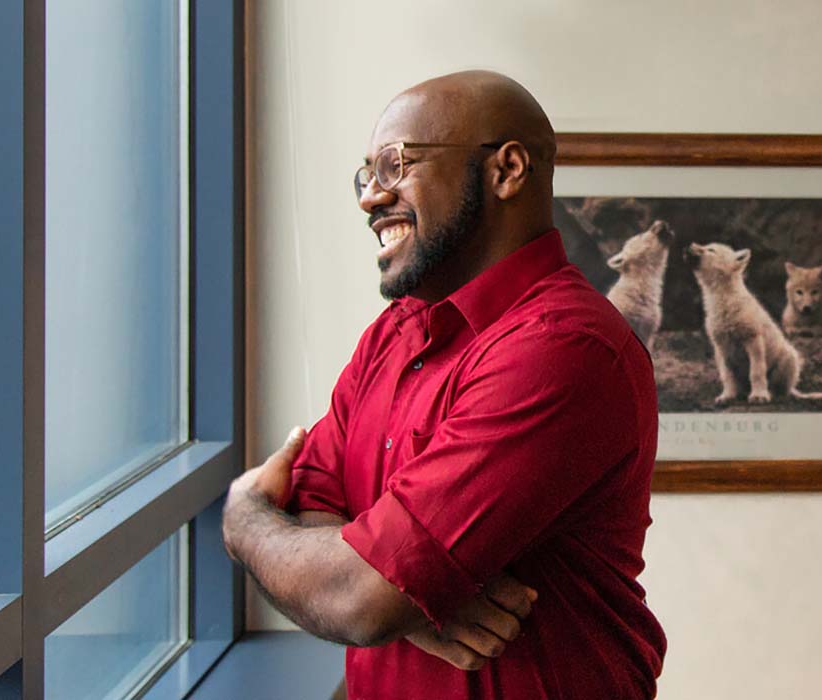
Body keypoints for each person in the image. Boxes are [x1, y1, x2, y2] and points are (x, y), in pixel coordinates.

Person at [222, 70, 666, 700]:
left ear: (506, 170)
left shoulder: (564, 348)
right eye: (366, 175)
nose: (370, 197)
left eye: (394, 164)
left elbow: (356, 600)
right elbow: (314, 503)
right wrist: (409, 596)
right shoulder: (394, 333)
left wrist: (244, 521)